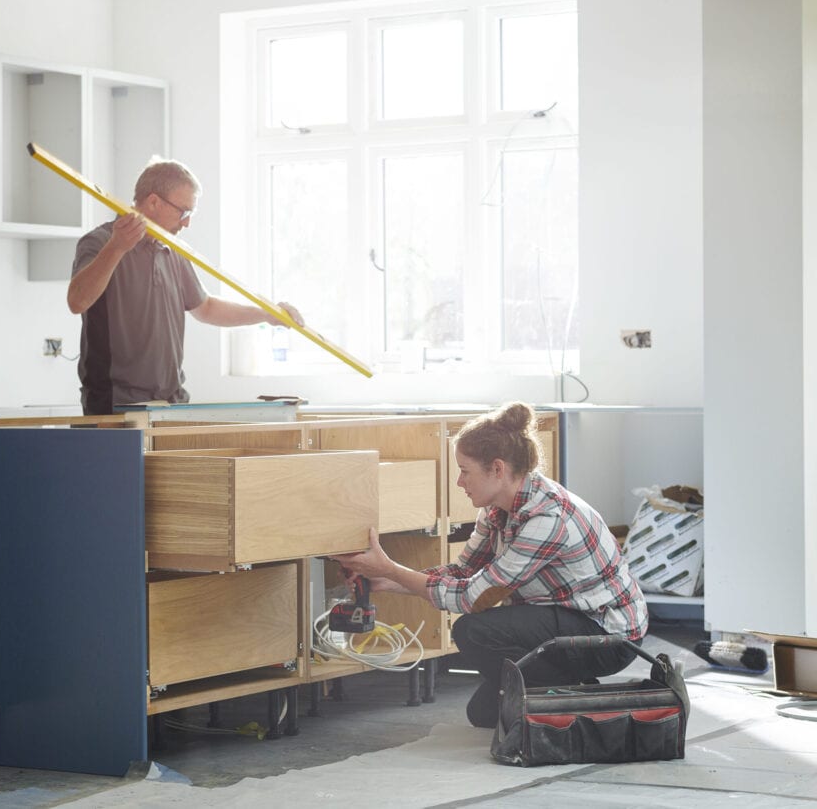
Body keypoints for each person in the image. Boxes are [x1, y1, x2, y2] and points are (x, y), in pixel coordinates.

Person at [333, 401, 648, 728]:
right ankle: (561, 695)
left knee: (473, 630)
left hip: (607, 637)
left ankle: (569, 696)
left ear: (497, 469)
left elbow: (474, 598)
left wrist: (390, 569)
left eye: (465, 471)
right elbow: (462, 573)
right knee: (483, 714)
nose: (459, 482)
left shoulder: (547, 519)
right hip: (565, 618)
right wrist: (389, 582)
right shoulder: (499, 508)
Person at [68, 157, 302, 415]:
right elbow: (77, 301)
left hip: (172, 404)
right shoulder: (99, 242)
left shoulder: (173, 251)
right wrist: (116, 248)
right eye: (184, 212)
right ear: (154, 202)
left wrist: (266, 314)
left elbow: (207, 308)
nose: (187, 222)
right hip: (114, 407)